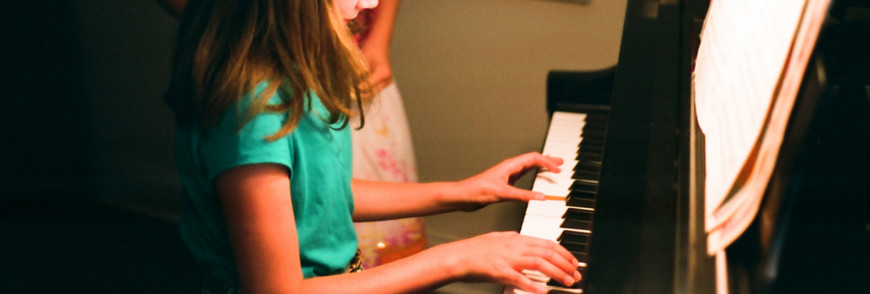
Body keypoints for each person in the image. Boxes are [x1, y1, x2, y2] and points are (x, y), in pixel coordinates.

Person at [164, 0, 582, 293]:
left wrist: (459, 194)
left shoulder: (298, 73)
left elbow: (318, 198)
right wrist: (456, 259)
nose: (373, 0)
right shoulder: (252, 113)